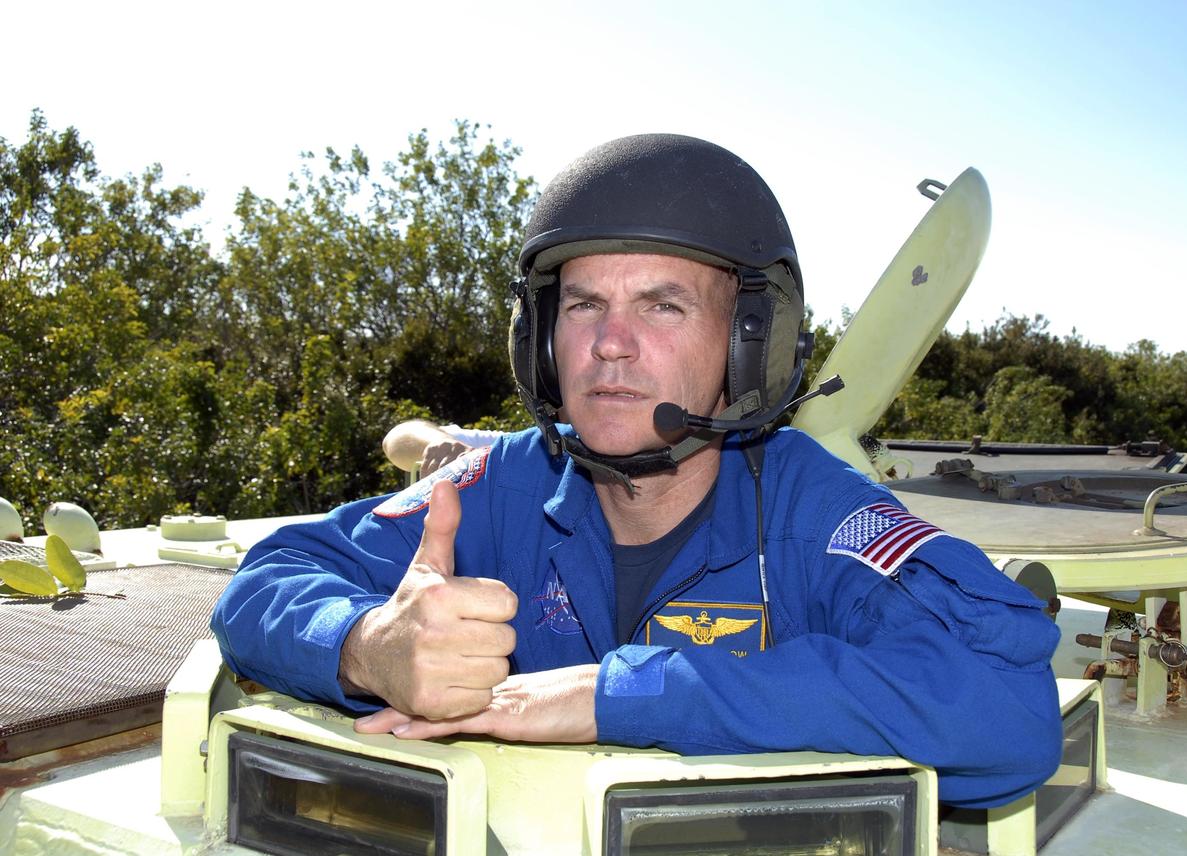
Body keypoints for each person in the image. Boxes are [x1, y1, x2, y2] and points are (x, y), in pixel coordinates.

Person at [211, 134, 1062, 809]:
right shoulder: (493, 491)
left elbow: (1006, 704)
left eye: (663, 305)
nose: (611, 343)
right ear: (540, 343)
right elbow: (260, 586)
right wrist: (366, 648)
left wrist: (621, 696)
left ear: (747, 347)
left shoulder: (814, 517)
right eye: (584, 306)